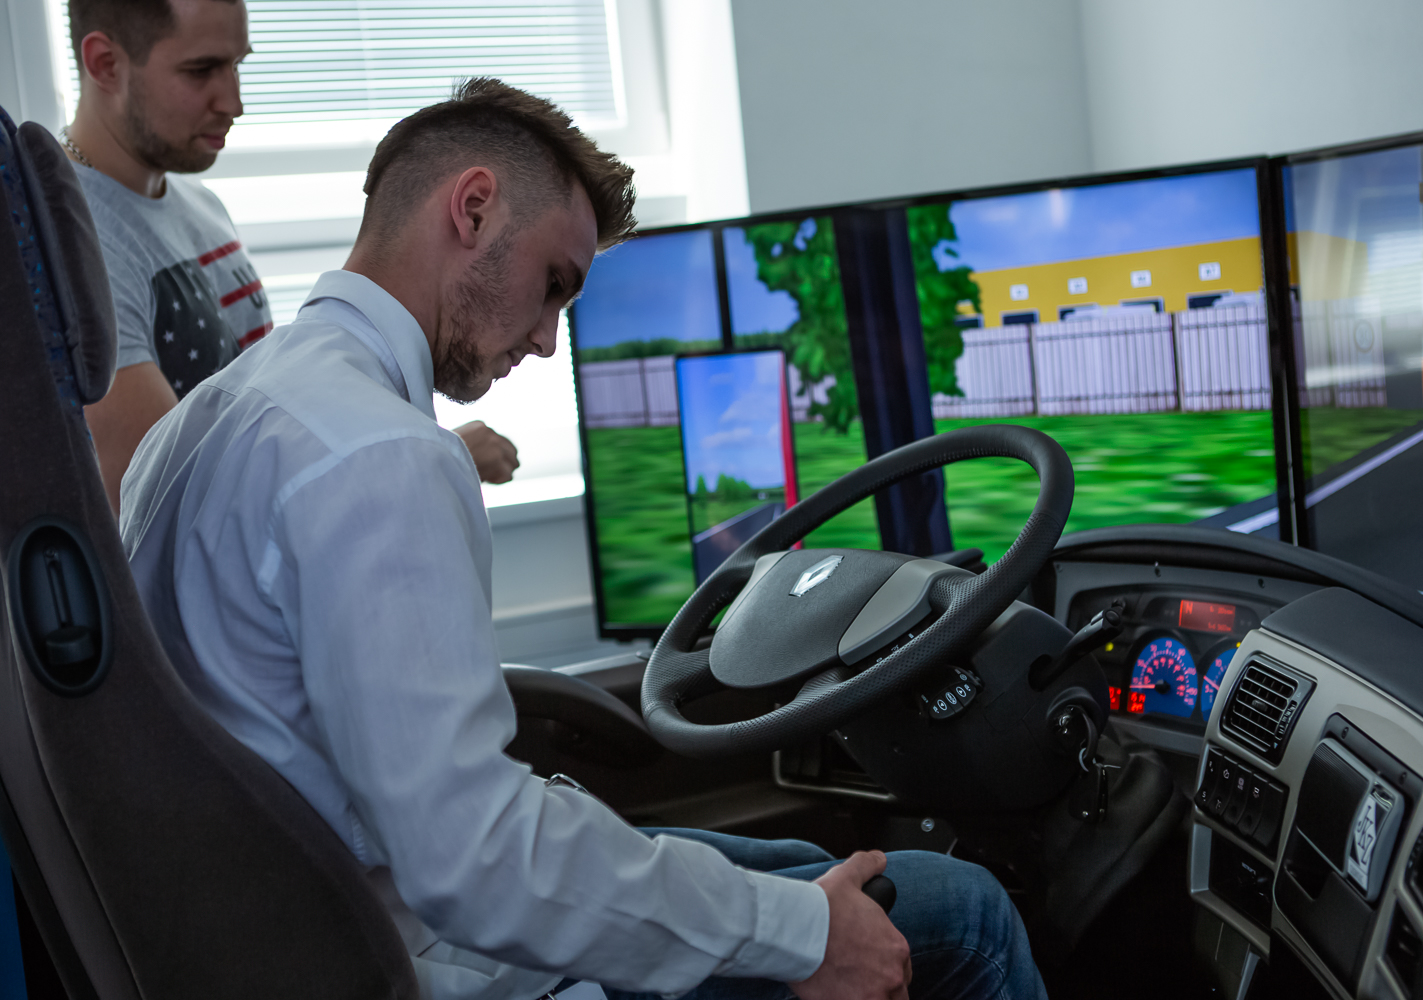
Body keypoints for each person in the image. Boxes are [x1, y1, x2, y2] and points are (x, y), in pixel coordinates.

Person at [119, 76, 1048, 1000]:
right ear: (473, 209)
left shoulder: (205, 419)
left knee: (811, 867)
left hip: (303, 921)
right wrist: (805, 938)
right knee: (959, 910)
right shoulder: (382, 457)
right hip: (420, 955)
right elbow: (475, 862)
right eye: (553, 286)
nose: (546, 341)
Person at [61, 0, 518, 515]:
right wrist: (434, 457)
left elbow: (268, 417)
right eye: (202, 70)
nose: (234, 103)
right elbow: (169, 503)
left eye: (237, 65)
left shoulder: (200, 205)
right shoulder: (76, 243)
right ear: (105, 64)